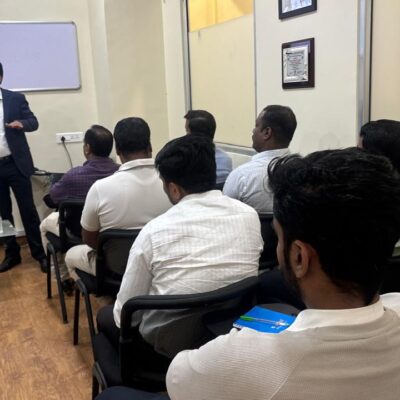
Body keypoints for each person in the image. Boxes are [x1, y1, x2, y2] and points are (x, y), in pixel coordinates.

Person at [97, 134, 263, 363]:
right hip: (227, 333)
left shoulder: (153, 232)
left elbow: (125, 316)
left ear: (174, 189)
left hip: (168, 346)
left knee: (105, 317)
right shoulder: (249, 215)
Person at [64, 117, 171, 280]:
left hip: (117, 267)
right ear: (150, 146)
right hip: (164, 264)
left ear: (118, 151)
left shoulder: (100, 188)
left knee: (70, 255)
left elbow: (89, 238)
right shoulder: (174, 184)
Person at [39, 124, 119, 279]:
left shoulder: (73, 176)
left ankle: (62, 278)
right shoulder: (120, 172)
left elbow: (52, 198)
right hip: (111, 231)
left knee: (44, 225)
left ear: (87, 148)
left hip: (78, 232)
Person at [0, 62, 47, 272]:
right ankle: (12, 254)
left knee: (28, 211)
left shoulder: (15, 99)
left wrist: (22, 124)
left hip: (15, 163)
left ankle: (39, 253)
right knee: (4, 214)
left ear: (0, 77)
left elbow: (33, 121)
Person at [223, 105, 297, 213]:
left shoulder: (241, 176)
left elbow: (225, 214)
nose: (253, 130)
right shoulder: (303, 173)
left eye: (256, 125)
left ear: (267, 132)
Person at [184, 109, 232, 184]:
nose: (185, 136)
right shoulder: (226, 159)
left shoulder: (184, 161)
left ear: (194, 135)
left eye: (187, 131)